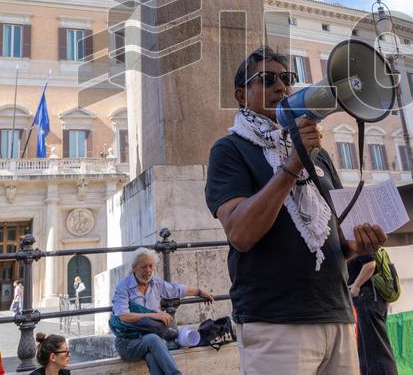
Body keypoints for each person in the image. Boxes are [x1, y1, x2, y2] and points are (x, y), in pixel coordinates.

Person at [206, 46, 387, 375]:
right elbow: (240, 233)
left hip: (336, 313)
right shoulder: (230, 150)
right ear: (241, 94)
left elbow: (326, 241)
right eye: (267, 79)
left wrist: (354, 248)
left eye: (287, 79)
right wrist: (293, 163)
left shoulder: (318, 155)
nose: (281, 86)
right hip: (276, 321)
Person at [110, 247, 213, 375]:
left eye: (150, 266)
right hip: (127, 343)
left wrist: (199, 292)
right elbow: (123, 316)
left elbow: (176, 289)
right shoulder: (124, 286)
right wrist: (155, 315)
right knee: (153, 340)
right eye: (143, 267)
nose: (148, 271)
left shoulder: (156, 282)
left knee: (152, 357)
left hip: (150, 341)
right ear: (134, 267)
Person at [348, 249, 396, 375]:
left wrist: (356, 285)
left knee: (377, 353)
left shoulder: (355, 236)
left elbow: (370, 264)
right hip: (370, 299)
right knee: (369, 352)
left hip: (367, 298)